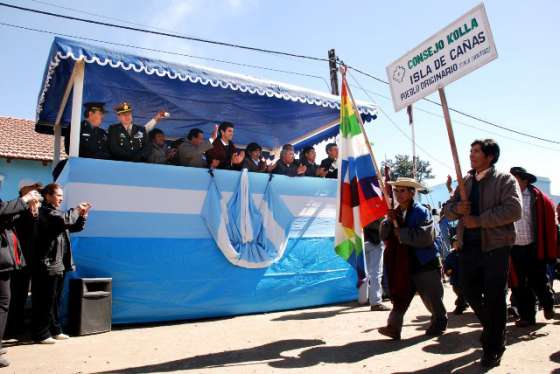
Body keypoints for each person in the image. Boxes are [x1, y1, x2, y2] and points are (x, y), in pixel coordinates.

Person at [443, 139, 522, 368]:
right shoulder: (465, 181)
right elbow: (447, 210)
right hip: (468, 247)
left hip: (496, 247)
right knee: (467, 289)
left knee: (496, 297)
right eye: (470, 151)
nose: (471, 155)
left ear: (490, 156)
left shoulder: (504, 180)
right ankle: (494, 330)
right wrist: (457, 209)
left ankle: (493, 348)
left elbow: (514, 210)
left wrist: (478, 221)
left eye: (476, 151)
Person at [378, 177, 447, 340]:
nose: (398, 194)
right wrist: (388, 222)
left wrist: (401, 233)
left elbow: (425, 237)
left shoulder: (421, 211)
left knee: (432, 298)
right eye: (396, 191)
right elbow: (384, 235)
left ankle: (439, 321)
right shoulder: (394, 212)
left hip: (424, 261)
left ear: (412, 193)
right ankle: (393, 327)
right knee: (401, 296)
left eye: (403, 191)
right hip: (403, 263)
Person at [32, 184, 91, 344]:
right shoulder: (45, 212)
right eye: (58, 195)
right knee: (45, 300)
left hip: (59, 263)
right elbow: (64, 219)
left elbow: (73, 226)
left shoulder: (57, 213)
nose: (61, 198)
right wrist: (77, 209)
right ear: (48, 196)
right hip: (48, 264)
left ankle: (55, 329)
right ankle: (41, 333)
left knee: (55, 300)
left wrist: (83, 216)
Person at [509, 166, 557, 327]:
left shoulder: (538, 199)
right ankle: (528, 317)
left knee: (539, 281)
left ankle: (548, 304)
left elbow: (549, 223)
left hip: (534, 247)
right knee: (519, 284)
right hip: (513, 248)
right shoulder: (507, 197)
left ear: (524, 180)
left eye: (515, 179)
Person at [0, 188, 42, 367]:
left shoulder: (11, 206)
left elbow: (9, 217)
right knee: (3, 303)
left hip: (8, 262)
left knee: (5, 302)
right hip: (3, 262)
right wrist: (24, 200)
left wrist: (29, 211)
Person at [5, 183, 43, 338]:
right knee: (13, 296)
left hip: (29, 260)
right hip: (15, 259)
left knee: (20, 296)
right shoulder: (14, 207)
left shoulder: (35, 209)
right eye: (29, 192)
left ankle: (16, 327)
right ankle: (10, 329)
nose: (33, 195)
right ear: (22, 194)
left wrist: (34, 213)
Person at [364, 219, 390, 311]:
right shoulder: (376, 208)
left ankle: (364, 298)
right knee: (376, 273)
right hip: (374, 241)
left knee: (364, 273)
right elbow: (380, 226)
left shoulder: (357, 207)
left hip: (360, 240)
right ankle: (375, 302)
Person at [443, 237, 468, 314]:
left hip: (466, 278)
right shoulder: (451, 256)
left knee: (464, 293)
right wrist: (448, 270)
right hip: (455, 279)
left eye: (458, 243)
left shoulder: (467, 254)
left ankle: (460, 306)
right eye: (455, 243)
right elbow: (447, 265)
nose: (456, 245)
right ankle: (463, 303)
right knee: (458, 291)